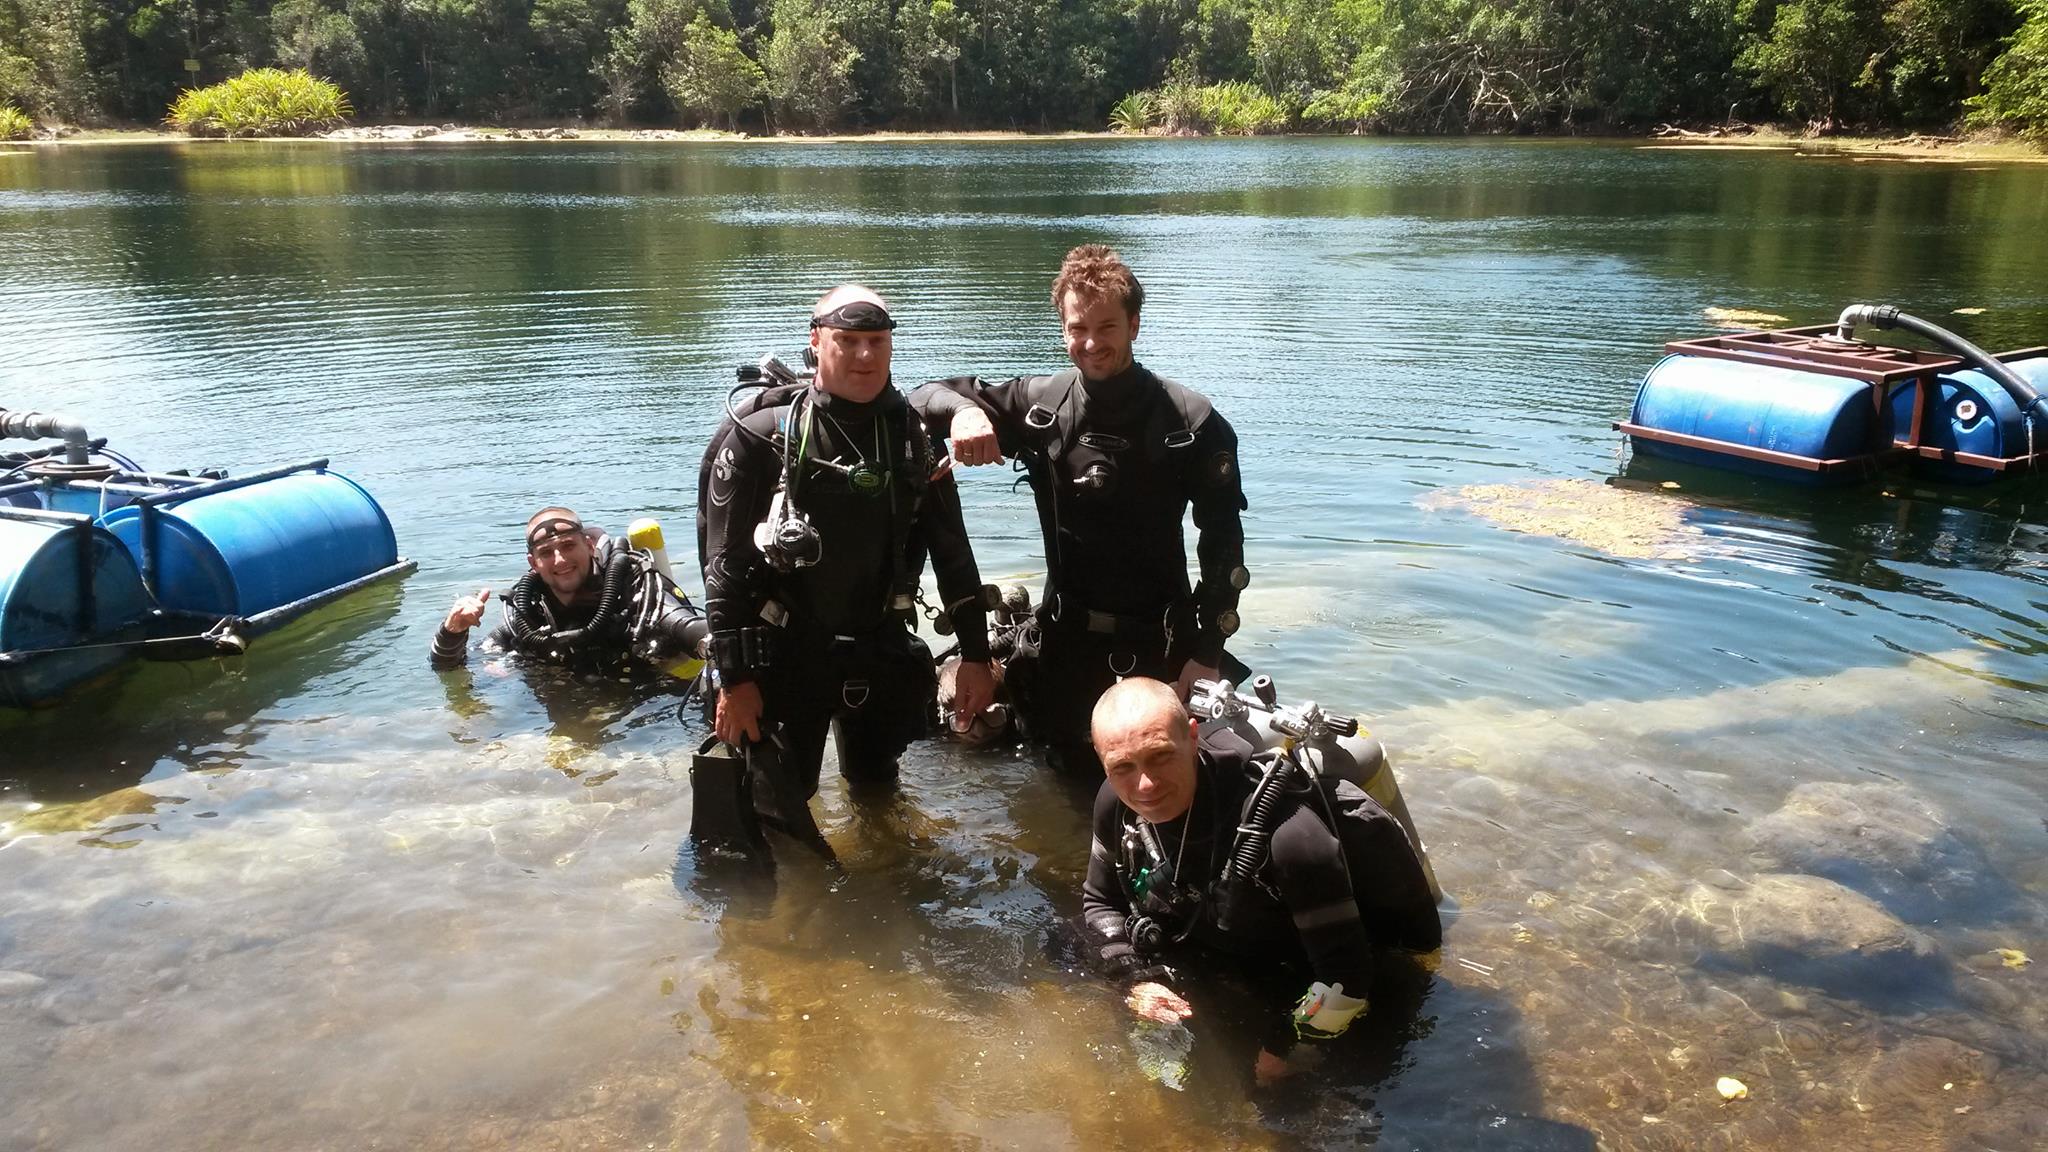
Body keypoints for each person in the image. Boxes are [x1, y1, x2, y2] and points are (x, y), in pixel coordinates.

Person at [910, 244, 1247, 775]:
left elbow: (1223, 547)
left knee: (1161, 783)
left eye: (1106, 327)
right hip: (1065, 644)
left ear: (1135, 324)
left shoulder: (1191, 423)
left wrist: (1206, 651)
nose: (1090, 343)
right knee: (1065, 789)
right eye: (1076, 328)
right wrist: (963, 414)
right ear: (1062, 326)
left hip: (1163, 642)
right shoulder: (1040, 407)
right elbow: (922, 396)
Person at [698, 285, 996, 807]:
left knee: (879, 796)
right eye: (848, 340)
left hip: (878, 645)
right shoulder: (764, 434)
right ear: (815, 341)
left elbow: (953, 552)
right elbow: (722, 568)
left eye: (876, 341)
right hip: (784, 654)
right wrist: (734, 678)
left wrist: (975, 655)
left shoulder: (913, 437)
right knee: (779, 811)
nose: (864, 355)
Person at [1078, 678, 1441, 1084]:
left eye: (1160, 756)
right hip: (1212, 947)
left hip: (1301, 974)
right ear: (1102, 761)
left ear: (1193, 736)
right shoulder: (1115, 804)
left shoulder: (1289, 836)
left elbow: (1349, 977)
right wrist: (1135, 980)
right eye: (1123, 767)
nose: (1144, 785)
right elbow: (1099, 902)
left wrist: (1286, 1043)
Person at [431, 506, 708, 676]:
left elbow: (691, 628)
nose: (560, 560)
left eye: (567, 546)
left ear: (588, 546)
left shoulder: (634, 591)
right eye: (547, 553)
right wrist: (452, 630)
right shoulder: (530, 613)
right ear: (533, 564)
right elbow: (448, 668)